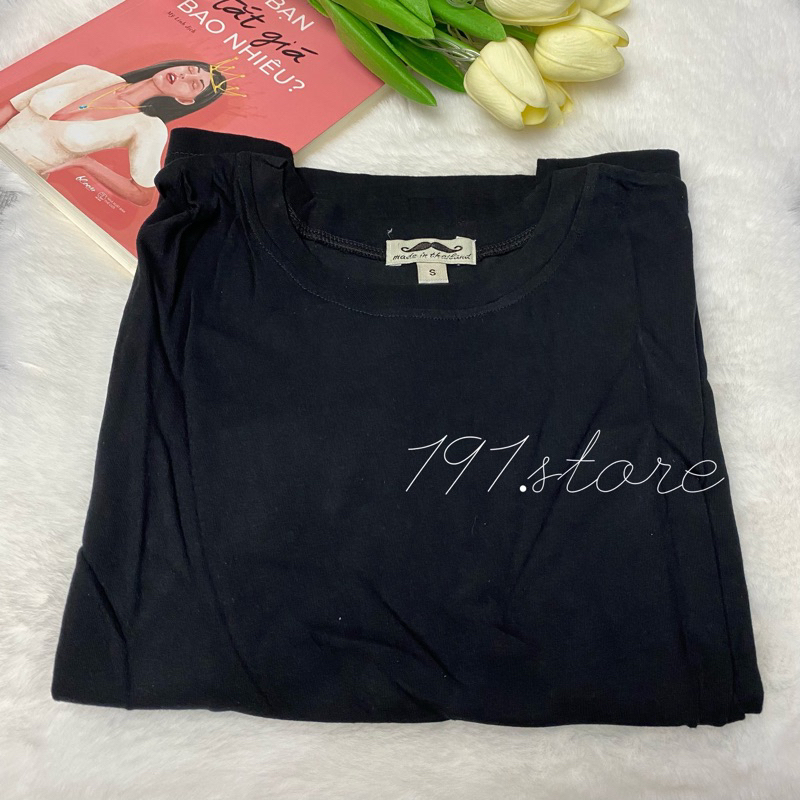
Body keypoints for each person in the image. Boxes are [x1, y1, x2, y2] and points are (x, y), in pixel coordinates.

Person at [0, 59, 240, 206]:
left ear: (185, 100)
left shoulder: (148, 127)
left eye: (193, 84)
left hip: (11, 181)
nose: (185, 76)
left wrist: (86, 163)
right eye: (191, 69)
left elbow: (142, 194)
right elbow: (13, 106)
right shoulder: (89, 73)